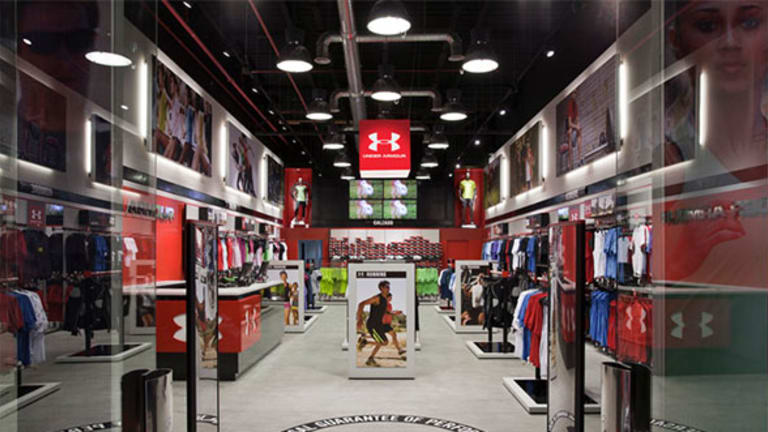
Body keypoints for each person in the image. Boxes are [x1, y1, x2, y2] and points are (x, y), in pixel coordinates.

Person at [356, 280, 393, 367]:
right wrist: (359, 319)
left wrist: (394, 313)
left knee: (384, 342)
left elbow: (385, 312)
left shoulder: (384, 300)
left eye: (389, 287)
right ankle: (369, 355)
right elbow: (361, 304)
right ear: (381, 288)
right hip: (373, 325)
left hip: (378, 324)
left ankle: (367, 346)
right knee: (383, 342)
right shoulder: (377, 298)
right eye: (387, 287)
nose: (389, 289)